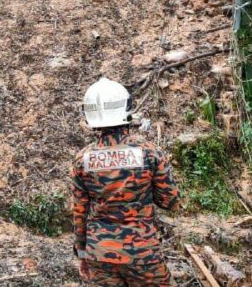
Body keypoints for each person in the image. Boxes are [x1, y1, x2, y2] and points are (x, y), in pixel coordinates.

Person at [71, 78, 180, 286]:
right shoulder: (149, 152)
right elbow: (170, 202)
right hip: (143, 254)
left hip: (99, 254)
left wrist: (82, 253)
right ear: (126, 108)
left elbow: (79, 212)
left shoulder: (82, 159)